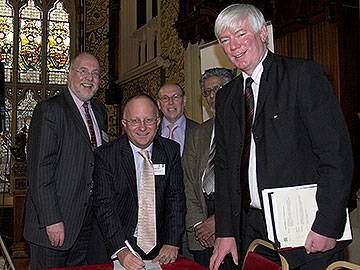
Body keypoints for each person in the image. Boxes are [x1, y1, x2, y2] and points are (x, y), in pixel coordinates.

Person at [209, 4, 353, 270]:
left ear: (263, 33)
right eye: (225, 40)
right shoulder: (226, 97)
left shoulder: (302, 75)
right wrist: (225, 231)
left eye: (241, 34)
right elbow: (224, 166)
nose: (234, 46)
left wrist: (327, 224)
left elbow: (337, 155)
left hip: (307, 229)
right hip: (251, 231)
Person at [23, 52, 108, 269]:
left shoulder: (99, 111)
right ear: (69, 76)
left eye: (95, 73)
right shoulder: (50, 110)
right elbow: (39, 170)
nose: (90, 77)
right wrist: (51, 219)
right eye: (83, 71)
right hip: (53, 224)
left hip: (84, 223)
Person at [92, 94, 186, 270]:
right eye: (135, 121)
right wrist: (121, 250)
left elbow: (176, 199)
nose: (142, 127)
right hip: (115, 246)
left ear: (158, 122)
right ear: (124, 124)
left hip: (160, 250)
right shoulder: (106, 155)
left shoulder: (170, 151)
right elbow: (104, 206)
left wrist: (172, 241)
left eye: (149, 120)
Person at [183, 68, 234, 268]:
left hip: (233, 222)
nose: (212, 96)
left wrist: (219, 221)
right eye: (207, 92)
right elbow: (188, 182)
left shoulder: (246, 127)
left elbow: (244, 182)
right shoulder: (198, 133)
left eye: (218, 89)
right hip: (202, 224)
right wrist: (200, 225)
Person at [157, 82, 199, 157]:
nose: (171, 102)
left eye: (175, 97)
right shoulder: (150, 133)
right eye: (165, 98)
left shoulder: (199, 131)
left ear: (184, 101)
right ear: (159, 104)